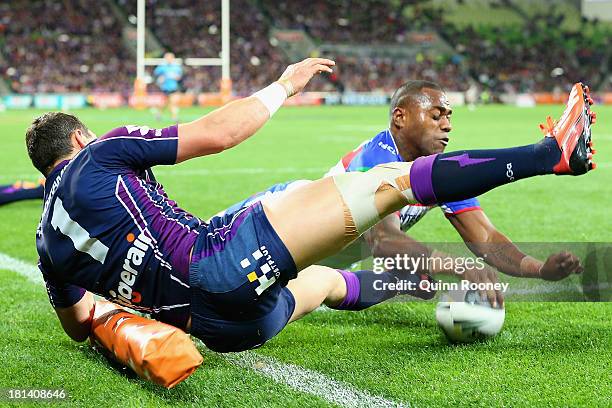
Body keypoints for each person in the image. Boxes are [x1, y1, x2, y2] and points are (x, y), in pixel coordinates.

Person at [26, 56, 595, 353]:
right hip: (224, 262)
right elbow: (218, 134)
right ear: (80, 140)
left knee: (323, 282)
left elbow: (79, 326)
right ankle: (551, 152)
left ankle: (403, 280)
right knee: (394, 181)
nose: (447, 122)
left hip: (222, 327)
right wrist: (284, 87)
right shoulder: (98, 155)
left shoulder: (46, 247)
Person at [218, 80, 591, 308]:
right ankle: (547, 154)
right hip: (260, 222)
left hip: (305, 260)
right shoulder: (375, 158)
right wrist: (459, 267)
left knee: (386, 281)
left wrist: (538, 269)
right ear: (400, 117)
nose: (447, 125)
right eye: (437, 115)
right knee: (191, 283)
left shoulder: (435, 169)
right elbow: (383, 239)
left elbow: (486, 238)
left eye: (450, 116)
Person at [153, 52, 184, 121]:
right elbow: (155, 74)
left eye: (170, 57)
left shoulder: (177, 67)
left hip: (174, 87)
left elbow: (179, 77)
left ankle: (174, 117)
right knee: (164, 103)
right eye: (167, 58)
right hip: (165, 88)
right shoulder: (162, 67)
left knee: (173, 102)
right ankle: (158, 113)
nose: (169, 59)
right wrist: (160, 78)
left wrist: (176, 77)